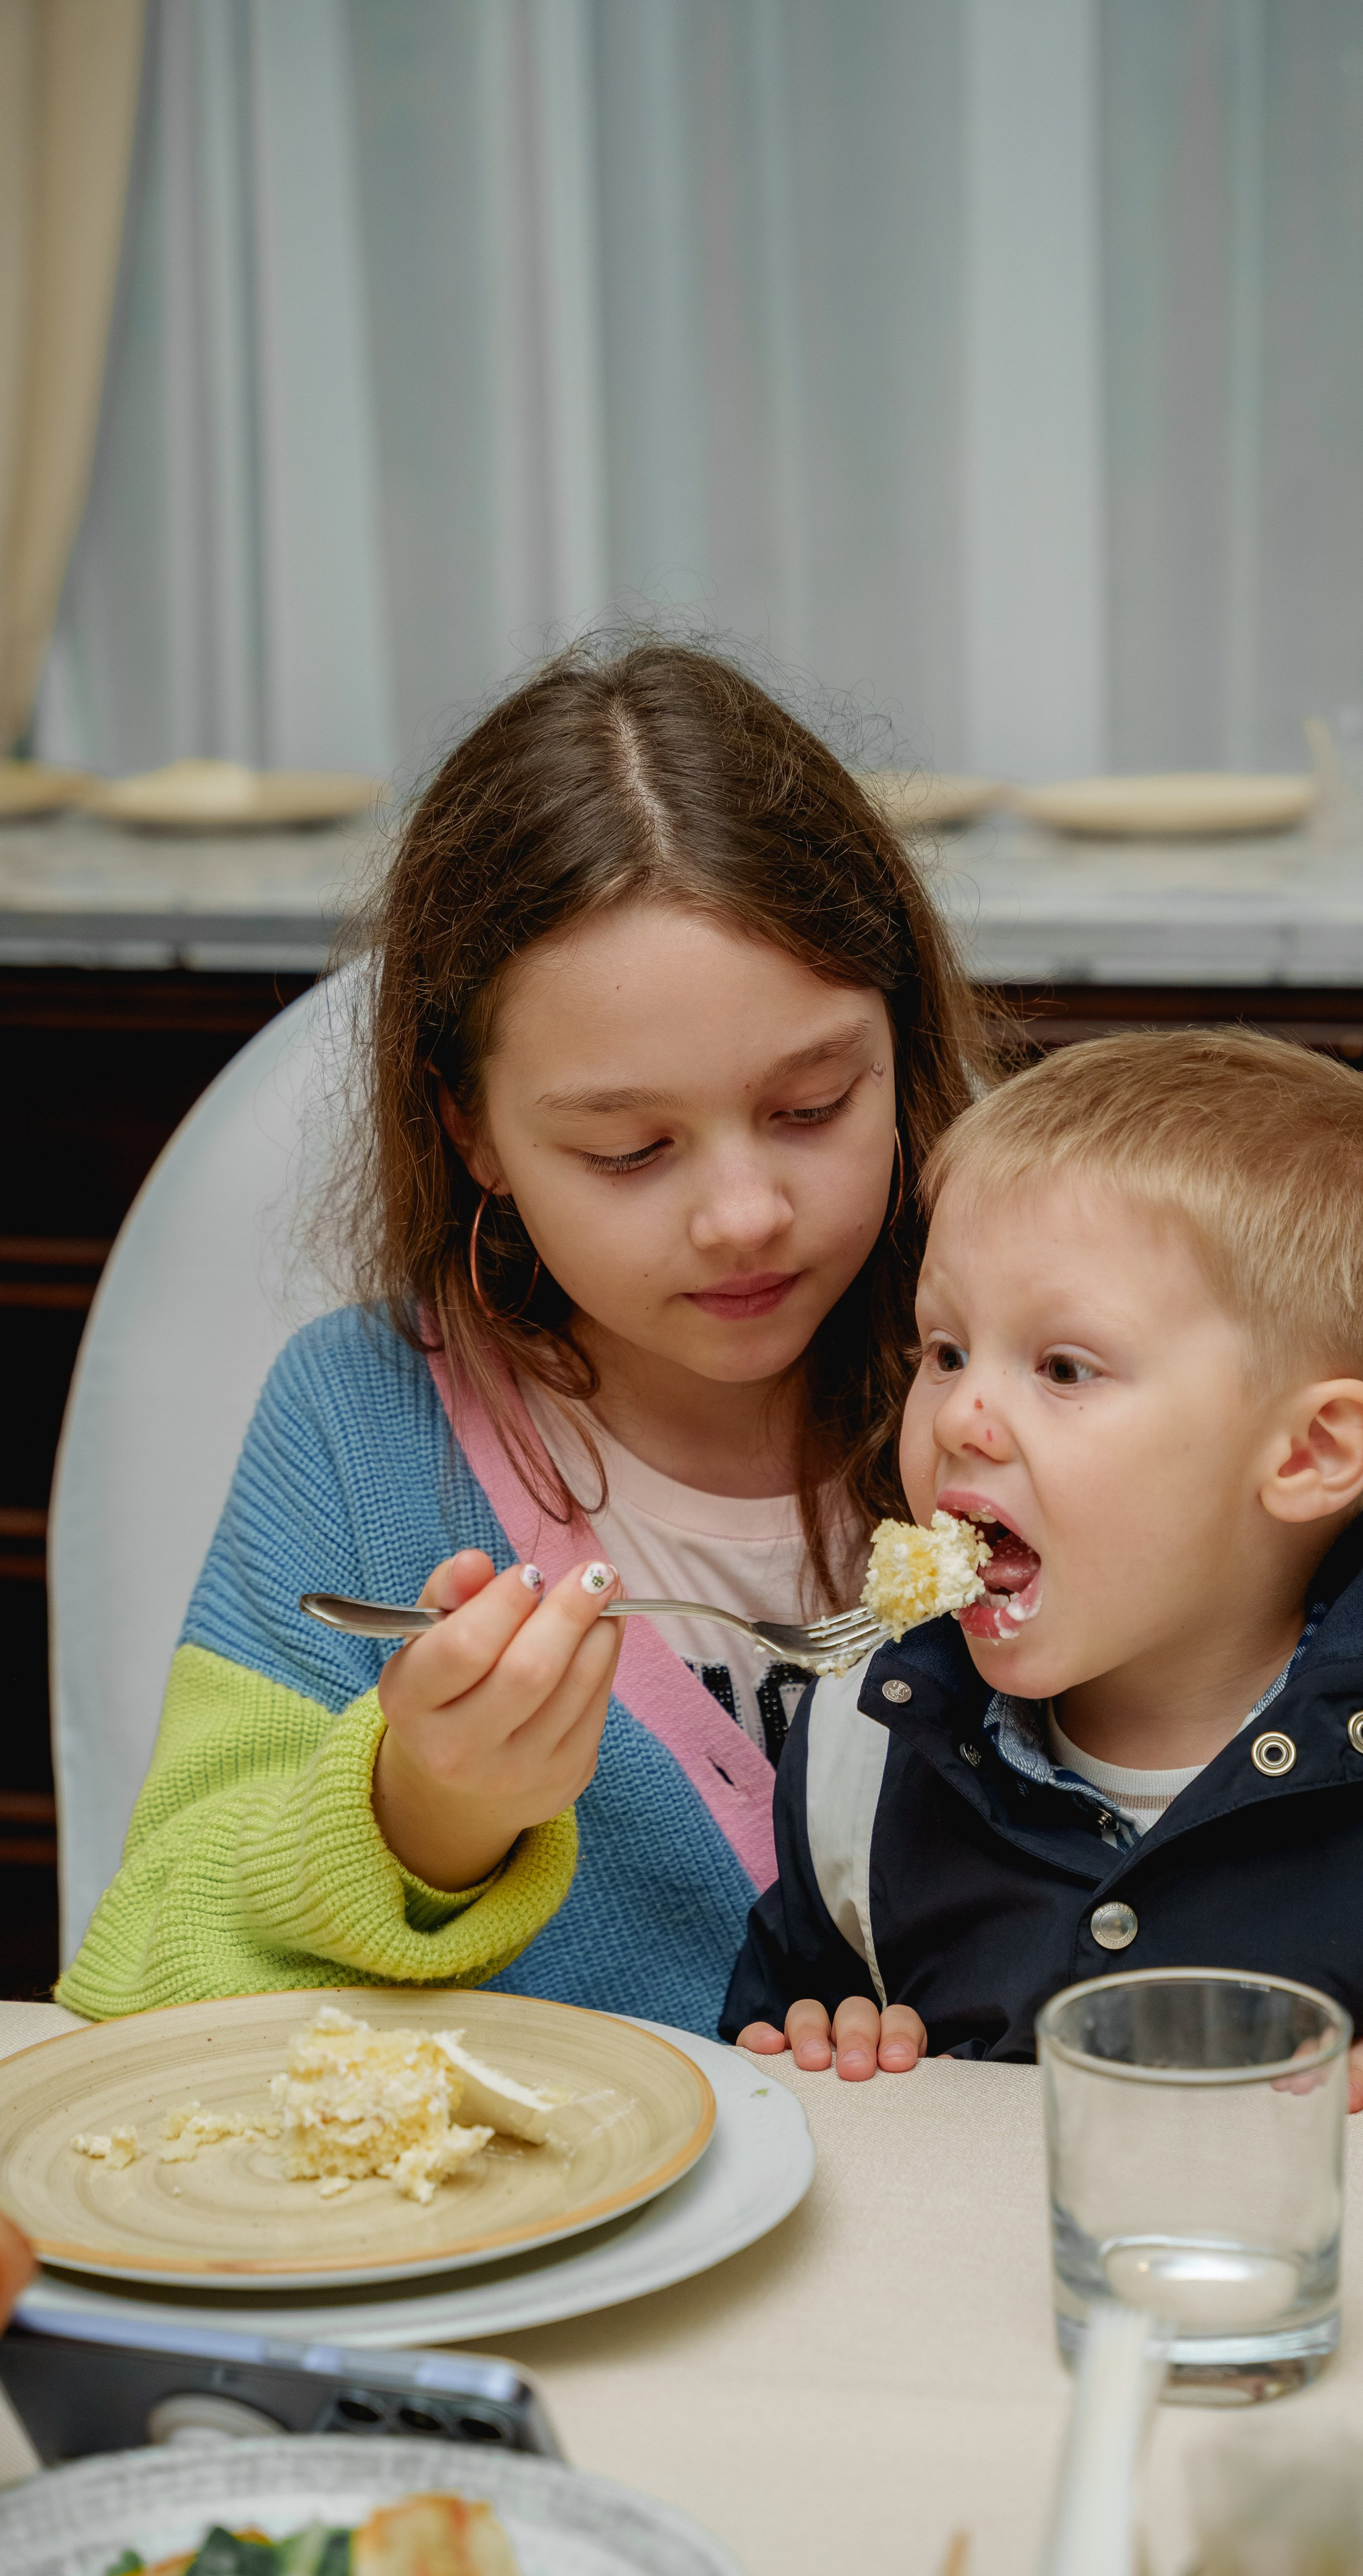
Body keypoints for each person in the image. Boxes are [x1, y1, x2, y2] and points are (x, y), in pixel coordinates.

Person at [57, 639, 997, 2038]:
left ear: (902, 1047)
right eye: (628, 1149)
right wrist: (418, 1816)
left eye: (811, 1109)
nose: (744, 1214)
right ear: (470, 1129)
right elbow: (139, 1977)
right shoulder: (360, 1426)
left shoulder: (1036, 1388)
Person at [725, 1030, 1363, 2116]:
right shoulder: (861, 1745)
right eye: (946, 1349)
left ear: (1310, 1454)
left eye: (1062, 1367)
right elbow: (771, 2065)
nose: (960, 1413)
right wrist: (826, 2038)